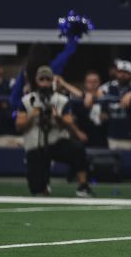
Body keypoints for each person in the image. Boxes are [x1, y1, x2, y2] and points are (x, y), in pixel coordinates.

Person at [16, 66, 93, 197]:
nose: (45, 83)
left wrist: (58, 118)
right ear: (36, 81)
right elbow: (18, 126)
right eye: (42, 79)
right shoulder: (27, 100)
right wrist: (31, 116)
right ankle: (43, 184)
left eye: (48, 79)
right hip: (36, 144)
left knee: (77, 149)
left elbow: (68, 122)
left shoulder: (61, 100)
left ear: (52, 81)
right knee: (37, 189)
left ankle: (83, 185)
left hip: (56, 141)